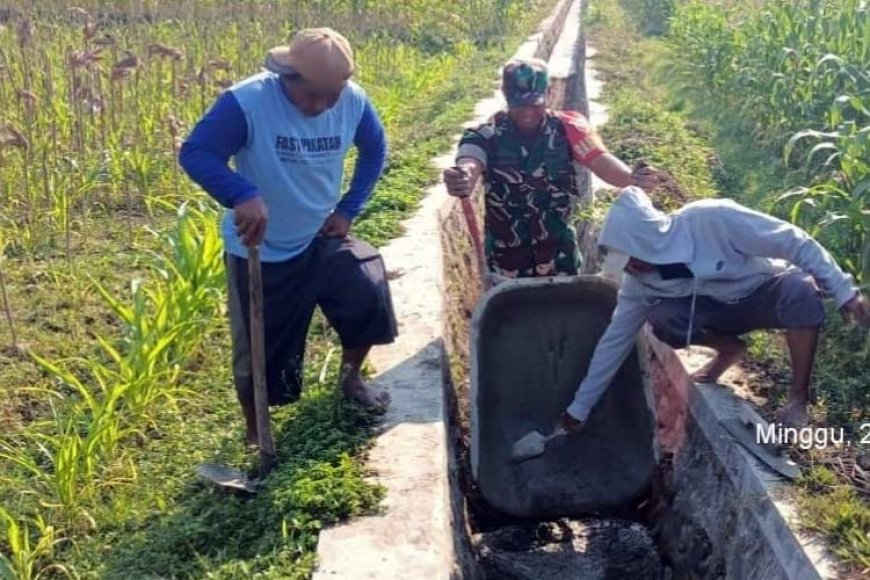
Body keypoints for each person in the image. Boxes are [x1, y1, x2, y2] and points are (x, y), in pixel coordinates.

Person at [179, 27, 396, 446]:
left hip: (320, 235)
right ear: (287, 77)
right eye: (311, 94)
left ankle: (351, 379)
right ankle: (256, 430)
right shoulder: (248, 102)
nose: (320, 105)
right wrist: (240, 193)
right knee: (261, 352)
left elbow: (375, 150)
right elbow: (196, 152)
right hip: (261, 247)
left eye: (330, 96)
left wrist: (348, 209)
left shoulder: (352, 101)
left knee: (367, 293)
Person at [561, 186, 870, 431]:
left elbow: (795, 242)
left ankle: (798, 398)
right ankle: (729, 349)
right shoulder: (637, 282)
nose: (633, 269)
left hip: (761, 292)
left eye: (635, 259)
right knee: (664, 319)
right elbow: (614, 340)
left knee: (801, 291)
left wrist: (844, 292)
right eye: (626, 265)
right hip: (715, 312)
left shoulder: (712, 220)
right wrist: (580, 408)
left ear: (651, 242)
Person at [442, 57, 667, 279]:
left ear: (549, 93)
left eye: (534, 103)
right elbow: (470, 161)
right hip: (506, 261)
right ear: (505, 94)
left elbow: (600, 160)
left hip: (559, 256)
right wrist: (463, 176)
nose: (527, 112)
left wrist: (632, 178)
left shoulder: (569, 129)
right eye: (519, 104)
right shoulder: (485, 135)